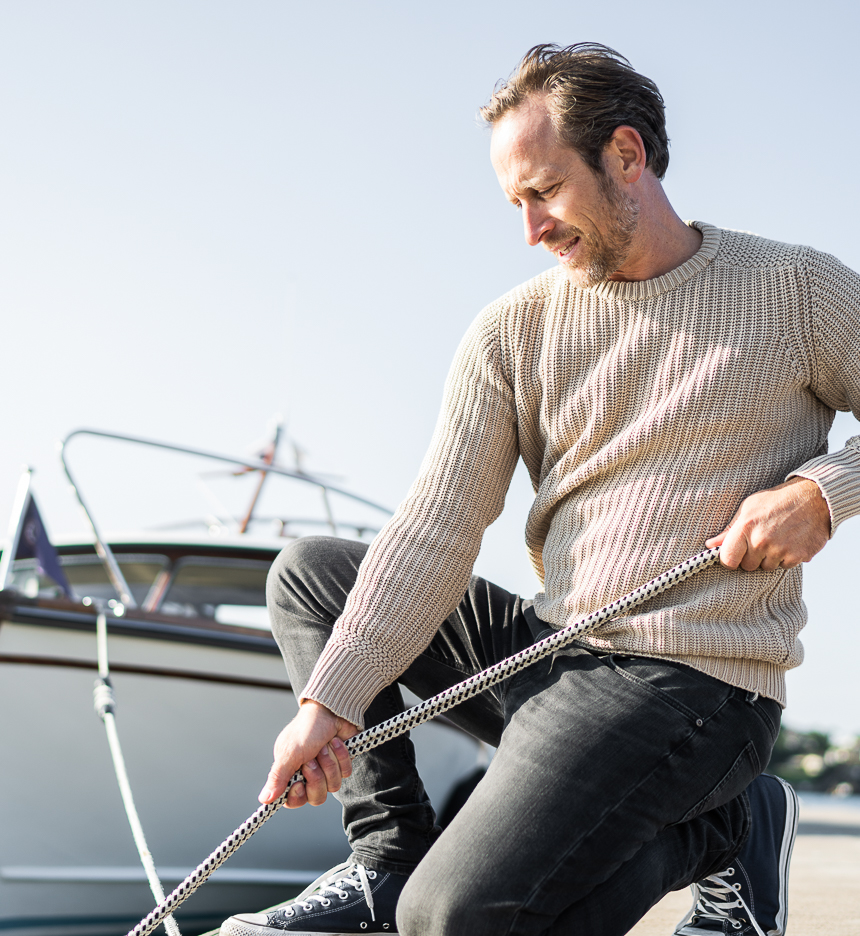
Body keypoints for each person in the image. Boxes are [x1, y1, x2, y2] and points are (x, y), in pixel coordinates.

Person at [220, 43, 860, 936]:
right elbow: (439, 524)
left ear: (627, 157)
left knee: (452, 918)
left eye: (545, 192)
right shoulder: (511, 331)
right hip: (554, 650)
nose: (530, 229)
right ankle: (383, 858)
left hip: (693, 682)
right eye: (514, 203)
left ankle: (726, 827)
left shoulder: (797, 291)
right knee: (310, 572)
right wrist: (329, 706)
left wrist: (827, 492)